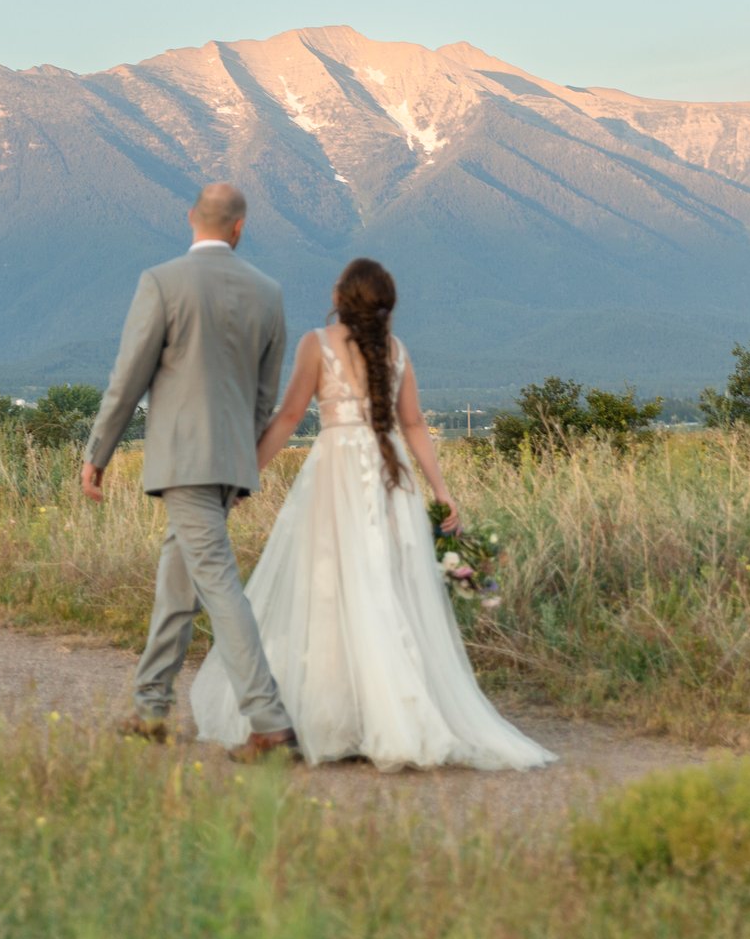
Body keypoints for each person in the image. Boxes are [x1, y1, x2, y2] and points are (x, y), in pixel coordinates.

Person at [191, 257, 555, 771]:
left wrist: (245, 473)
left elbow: (290, 416)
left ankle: (337, 717)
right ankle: (388, 716)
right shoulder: (397, 351)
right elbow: (415, 424)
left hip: (336, 474)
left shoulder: (317, 344)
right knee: (387, 590)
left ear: (342, 297)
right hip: (393, 480)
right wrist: (441, 490)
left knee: (328, 590)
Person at [79, 182, 299, 762]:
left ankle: (270, 722)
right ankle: (151, 707)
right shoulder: (269, 292)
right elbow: (265, 394)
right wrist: (243, 463)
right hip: (229, 461)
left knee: (219, 586)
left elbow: (129, 379)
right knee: (178, 580)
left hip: (182, 461)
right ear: (239, 227)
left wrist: (98, 451)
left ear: (189, 220)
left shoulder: (162, 283)